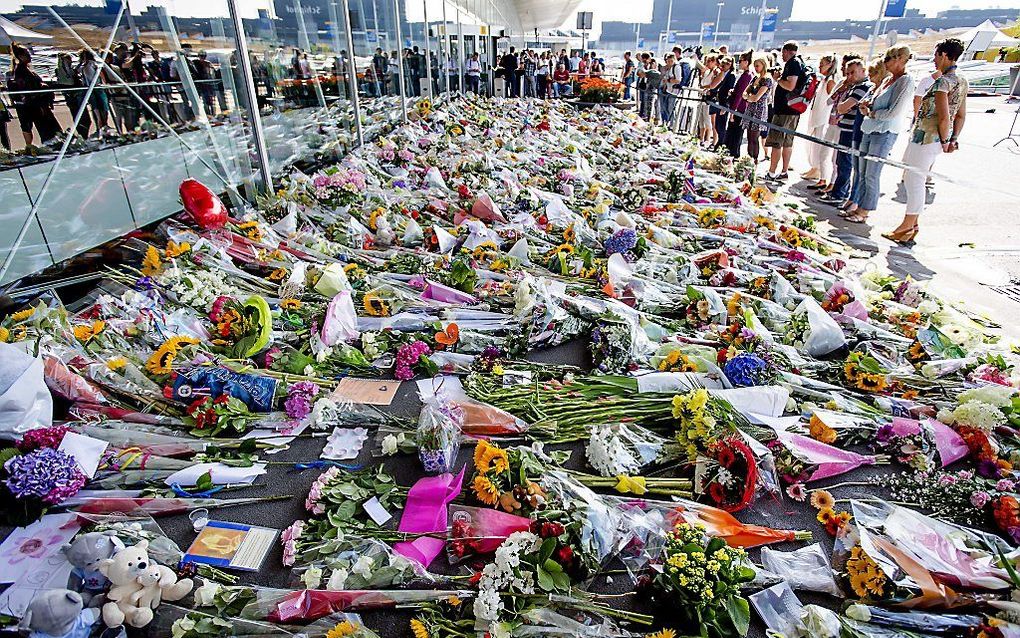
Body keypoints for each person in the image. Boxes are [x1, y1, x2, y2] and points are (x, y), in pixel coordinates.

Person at [883, 38, 967, 245]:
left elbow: (944, 115)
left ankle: (907, 225)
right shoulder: (962, 81)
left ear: (945, 55)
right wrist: (952, 139)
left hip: (926, 137)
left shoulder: (943, 82)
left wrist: (946, 139)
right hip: (935, 139)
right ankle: (913, 224)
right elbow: (961, 115)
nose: (934, 59)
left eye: (937, 55)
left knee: (914, 181)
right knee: (916, 180)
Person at [840, 46, 914, 224]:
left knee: (872, 173)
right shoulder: (887, 79)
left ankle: (865, 210)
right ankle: (858, 205)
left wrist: (871, 113)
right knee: (862, 171)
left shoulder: (905, 81)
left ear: (898, 60)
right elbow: (874, 100)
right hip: (868, 128)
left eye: (888, 60)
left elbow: (893, 111)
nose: (885, 64)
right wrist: (868, 105)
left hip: (884, 131)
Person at [820, 58, 869, 207]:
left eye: (852, 73)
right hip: (843, 126)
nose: (849, 77)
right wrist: (842, 90)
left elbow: (842, 107)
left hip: (851, 129)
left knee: (845, 163)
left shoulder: (863, 87)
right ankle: (837, 191)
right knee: (840, 161)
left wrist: (843, 105)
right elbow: (832, 102)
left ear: (863, 70)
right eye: (847, 73)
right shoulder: (851, 86)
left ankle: (840, 193)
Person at [763, 42, 808, 181]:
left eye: (783, 52)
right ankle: (783, 172)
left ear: (788, 51)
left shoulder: (793, 63)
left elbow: (790, 85)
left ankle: (772, 172)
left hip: (785, 110)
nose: (782, 55)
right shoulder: (799, 62)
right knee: (787, 142)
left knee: (777, 142)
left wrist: (778, 79)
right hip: (792, 110)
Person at [8, 43, 60, 146]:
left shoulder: (25, 70)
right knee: (47, 129)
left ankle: (53, 145)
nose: (30, 55)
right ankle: (52, 146)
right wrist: (42, 91)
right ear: (21, 56)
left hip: (38, 105)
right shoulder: (21, 71)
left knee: (49, 128)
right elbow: (29, 90)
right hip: (36, 106)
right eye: (27, 54)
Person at [802, 54, 837, 187]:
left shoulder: (831, 81)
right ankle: (814, 167)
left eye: (823, 64)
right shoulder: (823, 79)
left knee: (819, 145)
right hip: (816, 114)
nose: (820, 66)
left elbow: (830, 100)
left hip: (823, 117)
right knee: (812, 144)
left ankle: (819, 171)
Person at [742, 54, 774, 162]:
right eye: (754, 66)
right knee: (749, 136)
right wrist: (749, 97)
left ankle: (754, 160)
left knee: (755, 137)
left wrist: (749, 97)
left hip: (759, 111)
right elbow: (745, 92)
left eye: (757, 66)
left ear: (763, 65)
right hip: (750, 109)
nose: (756, 68)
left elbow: (756, 97)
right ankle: (748, 160)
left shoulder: (767, 80)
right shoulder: (755, 78)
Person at [724, 50, 753, 157]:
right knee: (734, 134)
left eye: (740, 61)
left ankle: (732, 156)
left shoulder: (747, 76)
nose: (739, 63)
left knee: (734, 135)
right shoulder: (746, 75)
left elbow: (740, 95)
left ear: (746, 62)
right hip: (739, 108)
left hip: (739, 109)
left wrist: (733, 111)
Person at [55, 51, 91, 139]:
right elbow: (69, 80)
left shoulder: (70, 70)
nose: (70, 62)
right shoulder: (62, 72)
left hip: (76, 97)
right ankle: (83, 136)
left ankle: (84, 135)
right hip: (74, 97)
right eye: (68, 60)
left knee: (84, 119)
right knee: (82, 119)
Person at [711, 56, 735, 148]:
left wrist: (726, 105)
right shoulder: (723, 74)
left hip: (724, 103)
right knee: (717, 124)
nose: (723, 67)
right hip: (719, 101)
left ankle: (721, 143)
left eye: (725, 65)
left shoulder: (731, 75)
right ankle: (720, 142)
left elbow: (729, 91)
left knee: (721, 125)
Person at [696, 54, 720, 143]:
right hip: (701, 96)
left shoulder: (716, 72)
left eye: (710, 61)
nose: (708, 63)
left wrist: (704, 87)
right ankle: (701, 138)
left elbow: (711, 85)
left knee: (707, 119)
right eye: (707, 61)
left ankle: (707, 139)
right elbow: (702, 82)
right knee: (701, 119)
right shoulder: (707, 72)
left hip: (708, 98)